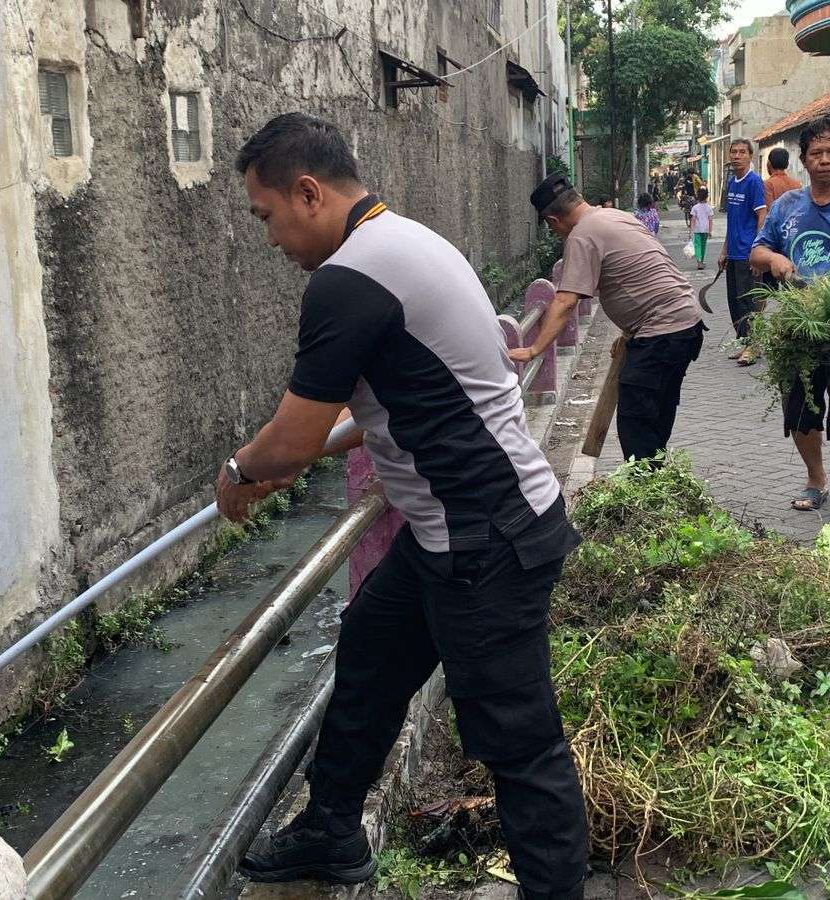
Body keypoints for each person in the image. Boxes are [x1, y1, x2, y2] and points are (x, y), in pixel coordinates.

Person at [220, 113, 588, 900]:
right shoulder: (407, 242)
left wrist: (237, 470)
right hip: (452, 530)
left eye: (266, 215)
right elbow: (383, 409)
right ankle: (332, 830)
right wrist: (294, 449)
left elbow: (283, 447)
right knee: (368, 658)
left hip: (486, 537)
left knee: (519, 746)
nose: (270, 238)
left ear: (308, 193)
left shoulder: (347, 280)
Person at [749, 117, 830, 539]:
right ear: (804, 160)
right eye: (816, 154)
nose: (824, 161)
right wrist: (774, 260)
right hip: (796, 329)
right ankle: (816, 477)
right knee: (801, 415)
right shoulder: (787, 207)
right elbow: (757, 251)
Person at [521, 175, 705, 461]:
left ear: (552, 220)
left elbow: (566, 300)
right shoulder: (615, 216)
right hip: (685, 323)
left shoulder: (582, 235)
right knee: (655, 417)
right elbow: (642, 273)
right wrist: (628, 333)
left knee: (636, 425)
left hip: (660, 333)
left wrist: (534, 349)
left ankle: (647, 492)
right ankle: (659, 485)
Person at [720, 138, 769, 365]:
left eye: (742, 152)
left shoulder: (754, 182)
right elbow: (732, 219)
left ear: (750, 156)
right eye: (734, 152)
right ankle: (745, 342)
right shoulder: (733, 182)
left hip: (747, 253)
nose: (737, 156)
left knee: (750, 302)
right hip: (733, 253)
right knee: (735, 301)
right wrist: (724, 249)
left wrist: (757, 250)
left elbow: (761, 216)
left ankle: (754, 346)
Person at [690, 187, 713, 270]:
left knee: (697, 246)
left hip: (697, 230)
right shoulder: (709, 208)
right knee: (703, 246)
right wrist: (710, 231)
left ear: (698, 196)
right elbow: (710, 220)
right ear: (707, 196)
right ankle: (701, 261)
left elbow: (693, 219)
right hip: (705, 230)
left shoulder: (695, 207)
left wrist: (691, 231)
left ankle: (699, 262)